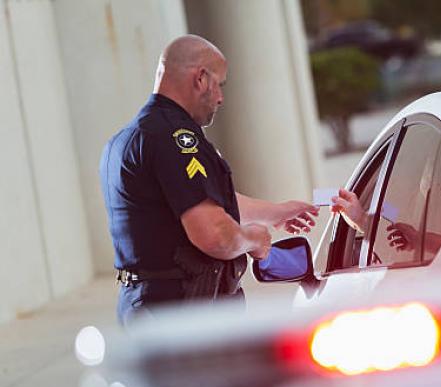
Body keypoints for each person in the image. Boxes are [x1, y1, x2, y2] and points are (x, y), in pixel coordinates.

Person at [100, 35, 318, 325]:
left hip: (151, 307)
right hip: (182, 314)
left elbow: (199, 198)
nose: (220, 98)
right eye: (220, 84)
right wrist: (255, 240)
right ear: (201, 78)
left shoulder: (133, 136)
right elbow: (216, 236)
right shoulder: (175, 138)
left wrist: (274, 213)